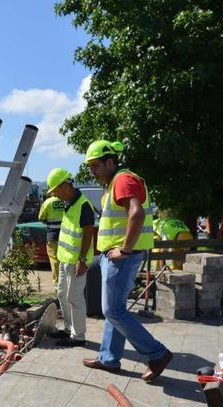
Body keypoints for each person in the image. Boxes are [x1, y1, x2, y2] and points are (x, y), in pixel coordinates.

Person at [81, 140, 172, 382]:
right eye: (90, 167)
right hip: (114, 256)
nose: (92, 171)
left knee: (113, 310)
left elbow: (137, 212)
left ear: (110, 162)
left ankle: (157, 353)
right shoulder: (114, 183)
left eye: (95, 166)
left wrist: (125, 249)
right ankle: (109, 358)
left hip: (121, 258)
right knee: (114, 311)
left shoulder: (122, 179)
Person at [45, 168, 96, 347]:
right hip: (65, 259)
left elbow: (89, 233)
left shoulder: (83, 205)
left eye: (56, 191)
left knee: (74, 298)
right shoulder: (69, 203)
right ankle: (68, 329)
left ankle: (78, 336)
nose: (55, 195)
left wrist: (82, 260)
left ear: (65, 186)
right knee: (62, 294)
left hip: (76, 261)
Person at [38, 193, 66, 285]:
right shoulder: (66, 200)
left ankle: (58, 285)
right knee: (66, 259)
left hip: (52, 236)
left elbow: (41, 218)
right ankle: (66, 283)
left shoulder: (48, 202)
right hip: (66, 235)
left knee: (55, 260)